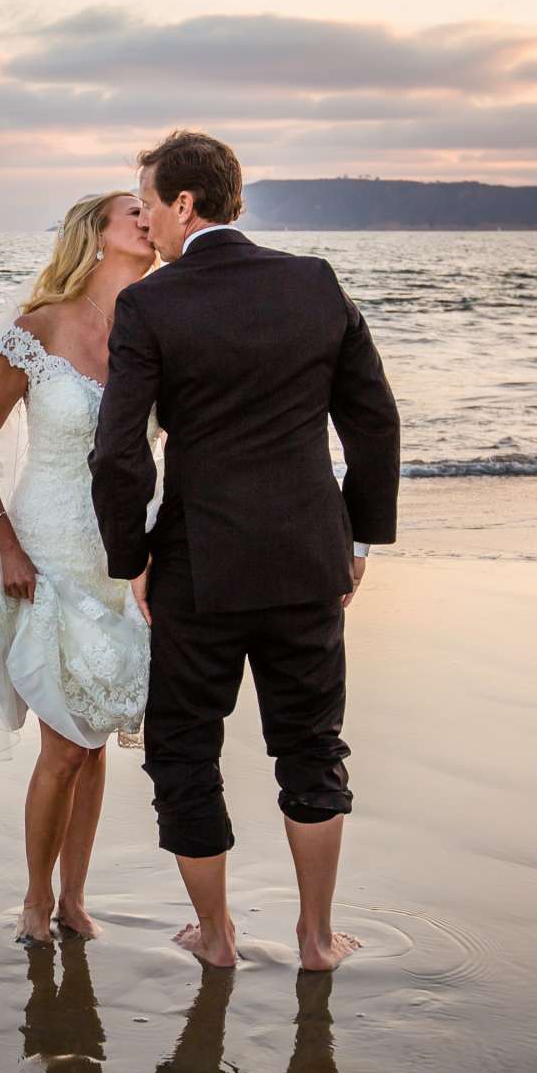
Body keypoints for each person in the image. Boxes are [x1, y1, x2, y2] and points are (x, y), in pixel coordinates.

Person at [89, 130, 402, 972]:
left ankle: (219, 937)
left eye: (150, 203)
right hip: (309, 562)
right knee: (311, 744)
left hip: (198, 566)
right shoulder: (314, 282)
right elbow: (372, 419)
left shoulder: (150, 307)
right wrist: (359, 537)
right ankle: (315, 937)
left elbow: (119, 452)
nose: (146, 220)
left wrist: (132, 558)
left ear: (184, 204)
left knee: (185, 747)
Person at [0, 191, 158, 945]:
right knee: (64, 743)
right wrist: (3, 541)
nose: (147, 218)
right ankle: (35, 898)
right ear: (95, 234)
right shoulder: (38, 330)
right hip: (46, 554)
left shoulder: (155, 330)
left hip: (120, 561)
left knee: (91, 742)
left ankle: (74, 898)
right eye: (133, 211)